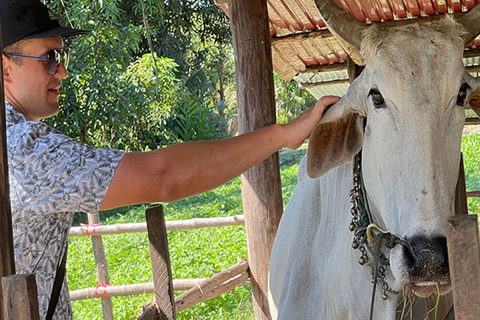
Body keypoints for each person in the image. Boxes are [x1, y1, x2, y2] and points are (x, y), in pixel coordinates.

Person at [0, 0, 340, 319]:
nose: (62, 72)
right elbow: (165, 176)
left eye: (61, 57)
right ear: (5, 68)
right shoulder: (21, 150)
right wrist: (283, 135)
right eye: (49, 57)